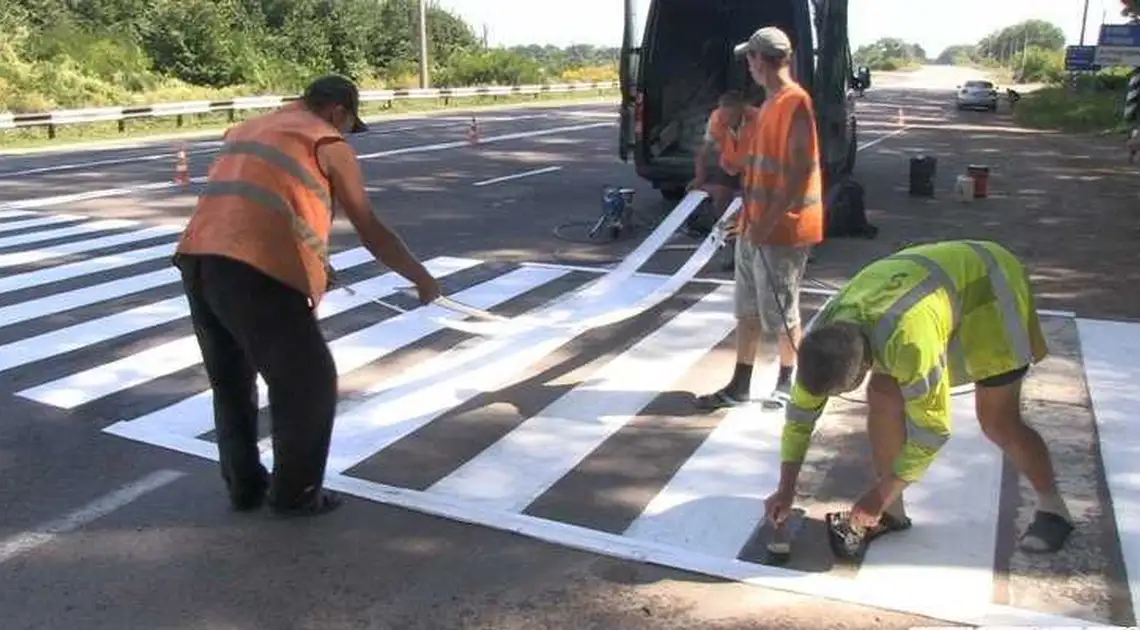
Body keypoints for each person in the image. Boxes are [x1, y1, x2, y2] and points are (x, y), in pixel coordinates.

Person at [172, 75, 441, 517]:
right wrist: (422, 278)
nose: (348, 134)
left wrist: (315, 265)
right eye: (350, 124)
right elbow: (370, 228)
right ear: (338, 111)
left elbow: (261, 205)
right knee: (309, 383)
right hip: (254, 271)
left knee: (232, 383)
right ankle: (295, 495)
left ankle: (244, 488)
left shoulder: (247, 129)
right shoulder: (326, 141)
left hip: (199, 260)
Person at [763, 239, 1074, 557]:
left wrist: (878, 492)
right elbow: (801, 416)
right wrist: (786, 488)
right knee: (883, 394)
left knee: (998, 422)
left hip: (991, 287)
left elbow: (932, 431)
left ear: (863, 366)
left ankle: (1054, 508)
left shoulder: (910, 344)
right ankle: (891, 513)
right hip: (931, 287)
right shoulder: (824, 338)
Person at [694, 26, 824, 412]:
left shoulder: (794, 102)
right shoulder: (768, 105)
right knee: (747, 310)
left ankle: (789, 381)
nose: (747, 67)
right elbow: (754, 170)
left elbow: (799, 169)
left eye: (749, 59)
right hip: (755, 225)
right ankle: (741, 383)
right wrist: (748, 219)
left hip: (783, 229)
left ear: (759, 59)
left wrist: (769, 221)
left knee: (782, 310)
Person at [685, 90, 752, 239]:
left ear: (741, 110)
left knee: (749, 200)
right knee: (720, 195)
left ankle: (744, 233)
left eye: (731, 117)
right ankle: (723, 231)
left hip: (753, 169)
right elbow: (703, 153)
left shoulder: (758, 119)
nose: (726, 120)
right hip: (729, 165)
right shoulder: (717, 119)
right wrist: (699, 178)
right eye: (723, 116)